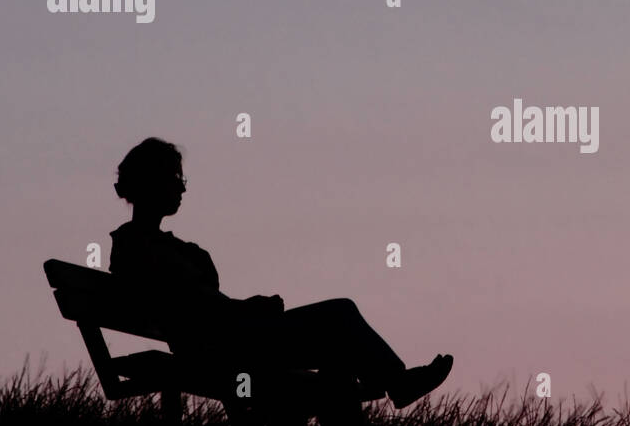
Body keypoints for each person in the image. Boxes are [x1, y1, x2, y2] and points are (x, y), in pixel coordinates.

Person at [107, 136, 453, 410]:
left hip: (228, 342)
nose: (182, 188)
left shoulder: (162, 247)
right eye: (175, 179)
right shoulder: (136, 246)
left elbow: (197, 300)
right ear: (152, 182)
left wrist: (244, 306)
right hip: (222, 351)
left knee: (339, 355)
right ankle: (396, 383)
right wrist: (246, 308)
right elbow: (189, 305)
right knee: (340, 314)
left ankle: (385, 401)